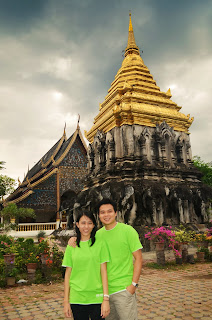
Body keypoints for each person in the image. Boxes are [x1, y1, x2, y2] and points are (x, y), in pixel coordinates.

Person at [69, 198, 143, 320]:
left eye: (109, 211)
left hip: (123, 289)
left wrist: (133, 285)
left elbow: (139, 259)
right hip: (103, 292)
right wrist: (73, 240)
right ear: (98, 215)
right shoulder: (97, 235)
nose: (106, 215)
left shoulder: (128, 231)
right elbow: (84, 245)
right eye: (102, 212)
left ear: (115, 213)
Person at [63, 211, 110, 320]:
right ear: (77, 225)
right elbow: (67, 275)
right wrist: (66, 302)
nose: (86, 226)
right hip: (77, 298)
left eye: (89, 223)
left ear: (94, 225)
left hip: (96, 297)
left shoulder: (100, 244)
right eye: (83, 223)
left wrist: (106, 299)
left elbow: (103, 272)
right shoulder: (72, 246)